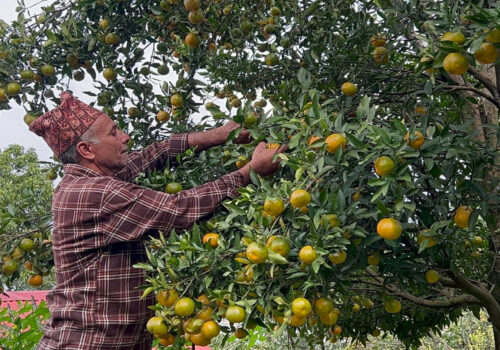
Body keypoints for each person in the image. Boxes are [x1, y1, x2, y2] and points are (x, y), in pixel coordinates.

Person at [29, 91, 286, 349]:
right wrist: (250, 171)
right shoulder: (94, 193)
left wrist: (222, 134)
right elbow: (179, 209)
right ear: (87, 150)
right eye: (113, 132)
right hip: (86, 343)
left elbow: (158, 153)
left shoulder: (94, 181)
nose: (125, 137)